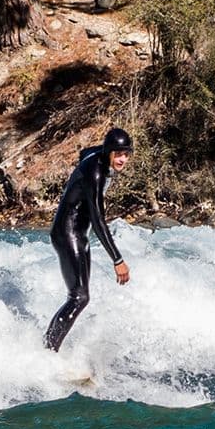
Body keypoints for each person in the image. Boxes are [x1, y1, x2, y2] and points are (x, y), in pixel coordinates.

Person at [44, 127, 132, 351]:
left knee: (80, 296)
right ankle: (47, 352)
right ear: (108, 152)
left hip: (78, 234)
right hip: (67, 234)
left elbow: (84, 151)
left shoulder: (96, 156)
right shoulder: (95, 173)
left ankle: (49, 347)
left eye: (126, 154)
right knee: (79, 297)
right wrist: (117, 259)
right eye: (118, 154)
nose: (122, 159)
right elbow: (98, 220)